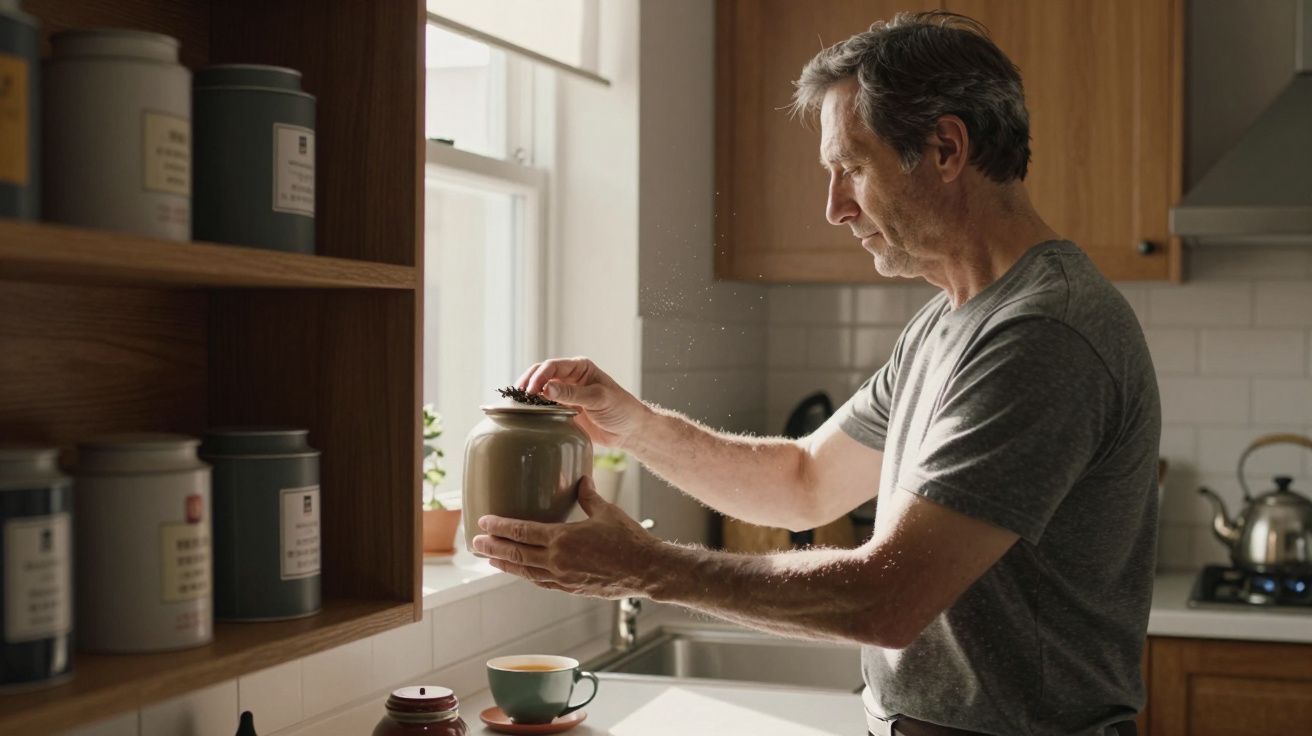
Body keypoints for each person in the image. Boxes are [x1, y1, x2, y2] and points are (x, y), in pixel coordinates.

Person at [472, 11, 1159, 736]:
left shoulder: (1042, 334)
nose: (833, 209)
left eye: (852, 169)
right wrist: (633, 425)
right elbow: (803, 481)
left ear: (945, 147)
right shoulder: (949, 322)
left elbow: (885, 599)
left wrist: (648, 568)